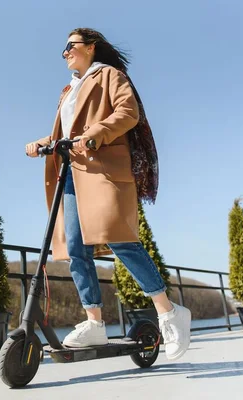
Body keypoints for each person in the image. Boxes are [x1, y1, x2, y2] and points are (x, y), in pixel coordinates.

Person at [25, 28, 191, 360]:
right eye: (64, 50)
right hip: (74, 172)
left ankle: (169, 311)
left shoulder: (109, 75)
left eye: (70, 46)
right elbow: (66, 132)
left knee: (120, 238)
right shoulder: (69, 89)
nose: (65, 53)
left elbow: (127, 113)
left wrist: (96, 133)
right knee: (75, 248)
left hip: (104, 167)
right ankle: (94, 321)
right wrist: (43, 142)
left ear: (91, 46)